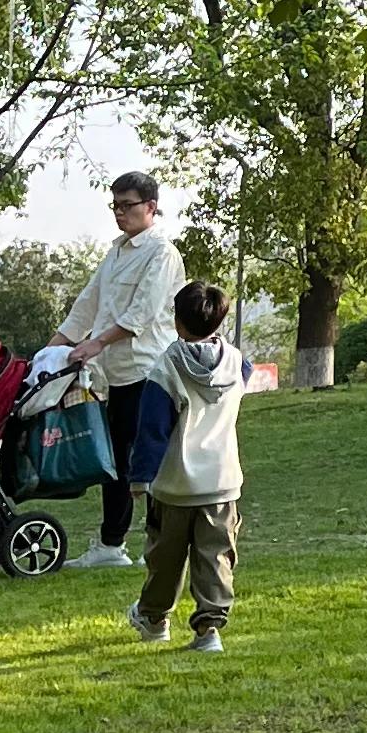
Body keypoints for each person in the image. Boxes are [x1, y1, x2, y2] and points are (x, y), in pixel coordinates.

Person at [56, 171, 181, 571]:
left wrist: (95, 343)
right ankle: (111, 544)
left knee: (149, 460)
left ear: (151, 207)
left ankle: (165, 542)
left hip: (150, 372)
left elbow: (140, 314)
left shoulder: (161, 253)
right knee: (114, 459)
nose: (120, 213)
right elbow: (87, 305)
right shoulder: (116, 252)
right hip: (115, 375)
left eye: (127, 205)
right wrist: (52, 349)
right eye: (116, 205)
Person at [124, 278, 247, 655]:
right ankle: (209, 629)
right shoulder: (237, 363)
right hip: (222, 482)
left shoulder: (167, 368)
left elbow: (153, 430)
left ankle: (155, 618)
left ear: (177, 321)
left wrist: (140, 477)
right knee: (215, 558)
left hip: (175, 485)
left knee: (165, 556)